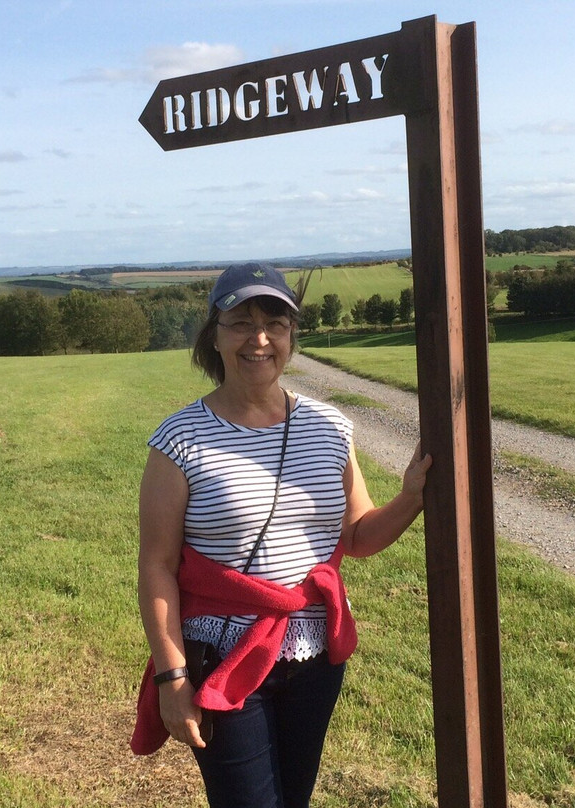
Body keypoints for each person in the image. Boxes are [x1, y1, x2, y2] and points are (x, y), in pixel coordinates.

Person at [131, 263, 431, 808]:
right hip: (223, 654)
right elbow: (156, 565)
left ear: (293, 336)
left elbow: (358, 536)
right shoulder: (179, 439)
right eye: (240, 322)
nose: (259, 337)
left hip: (314, 655)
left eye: (276, 322)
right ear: (215, 337)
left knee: (293, 799)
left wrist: (410, 497)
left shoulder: (330, 427)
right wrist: (172, 675)